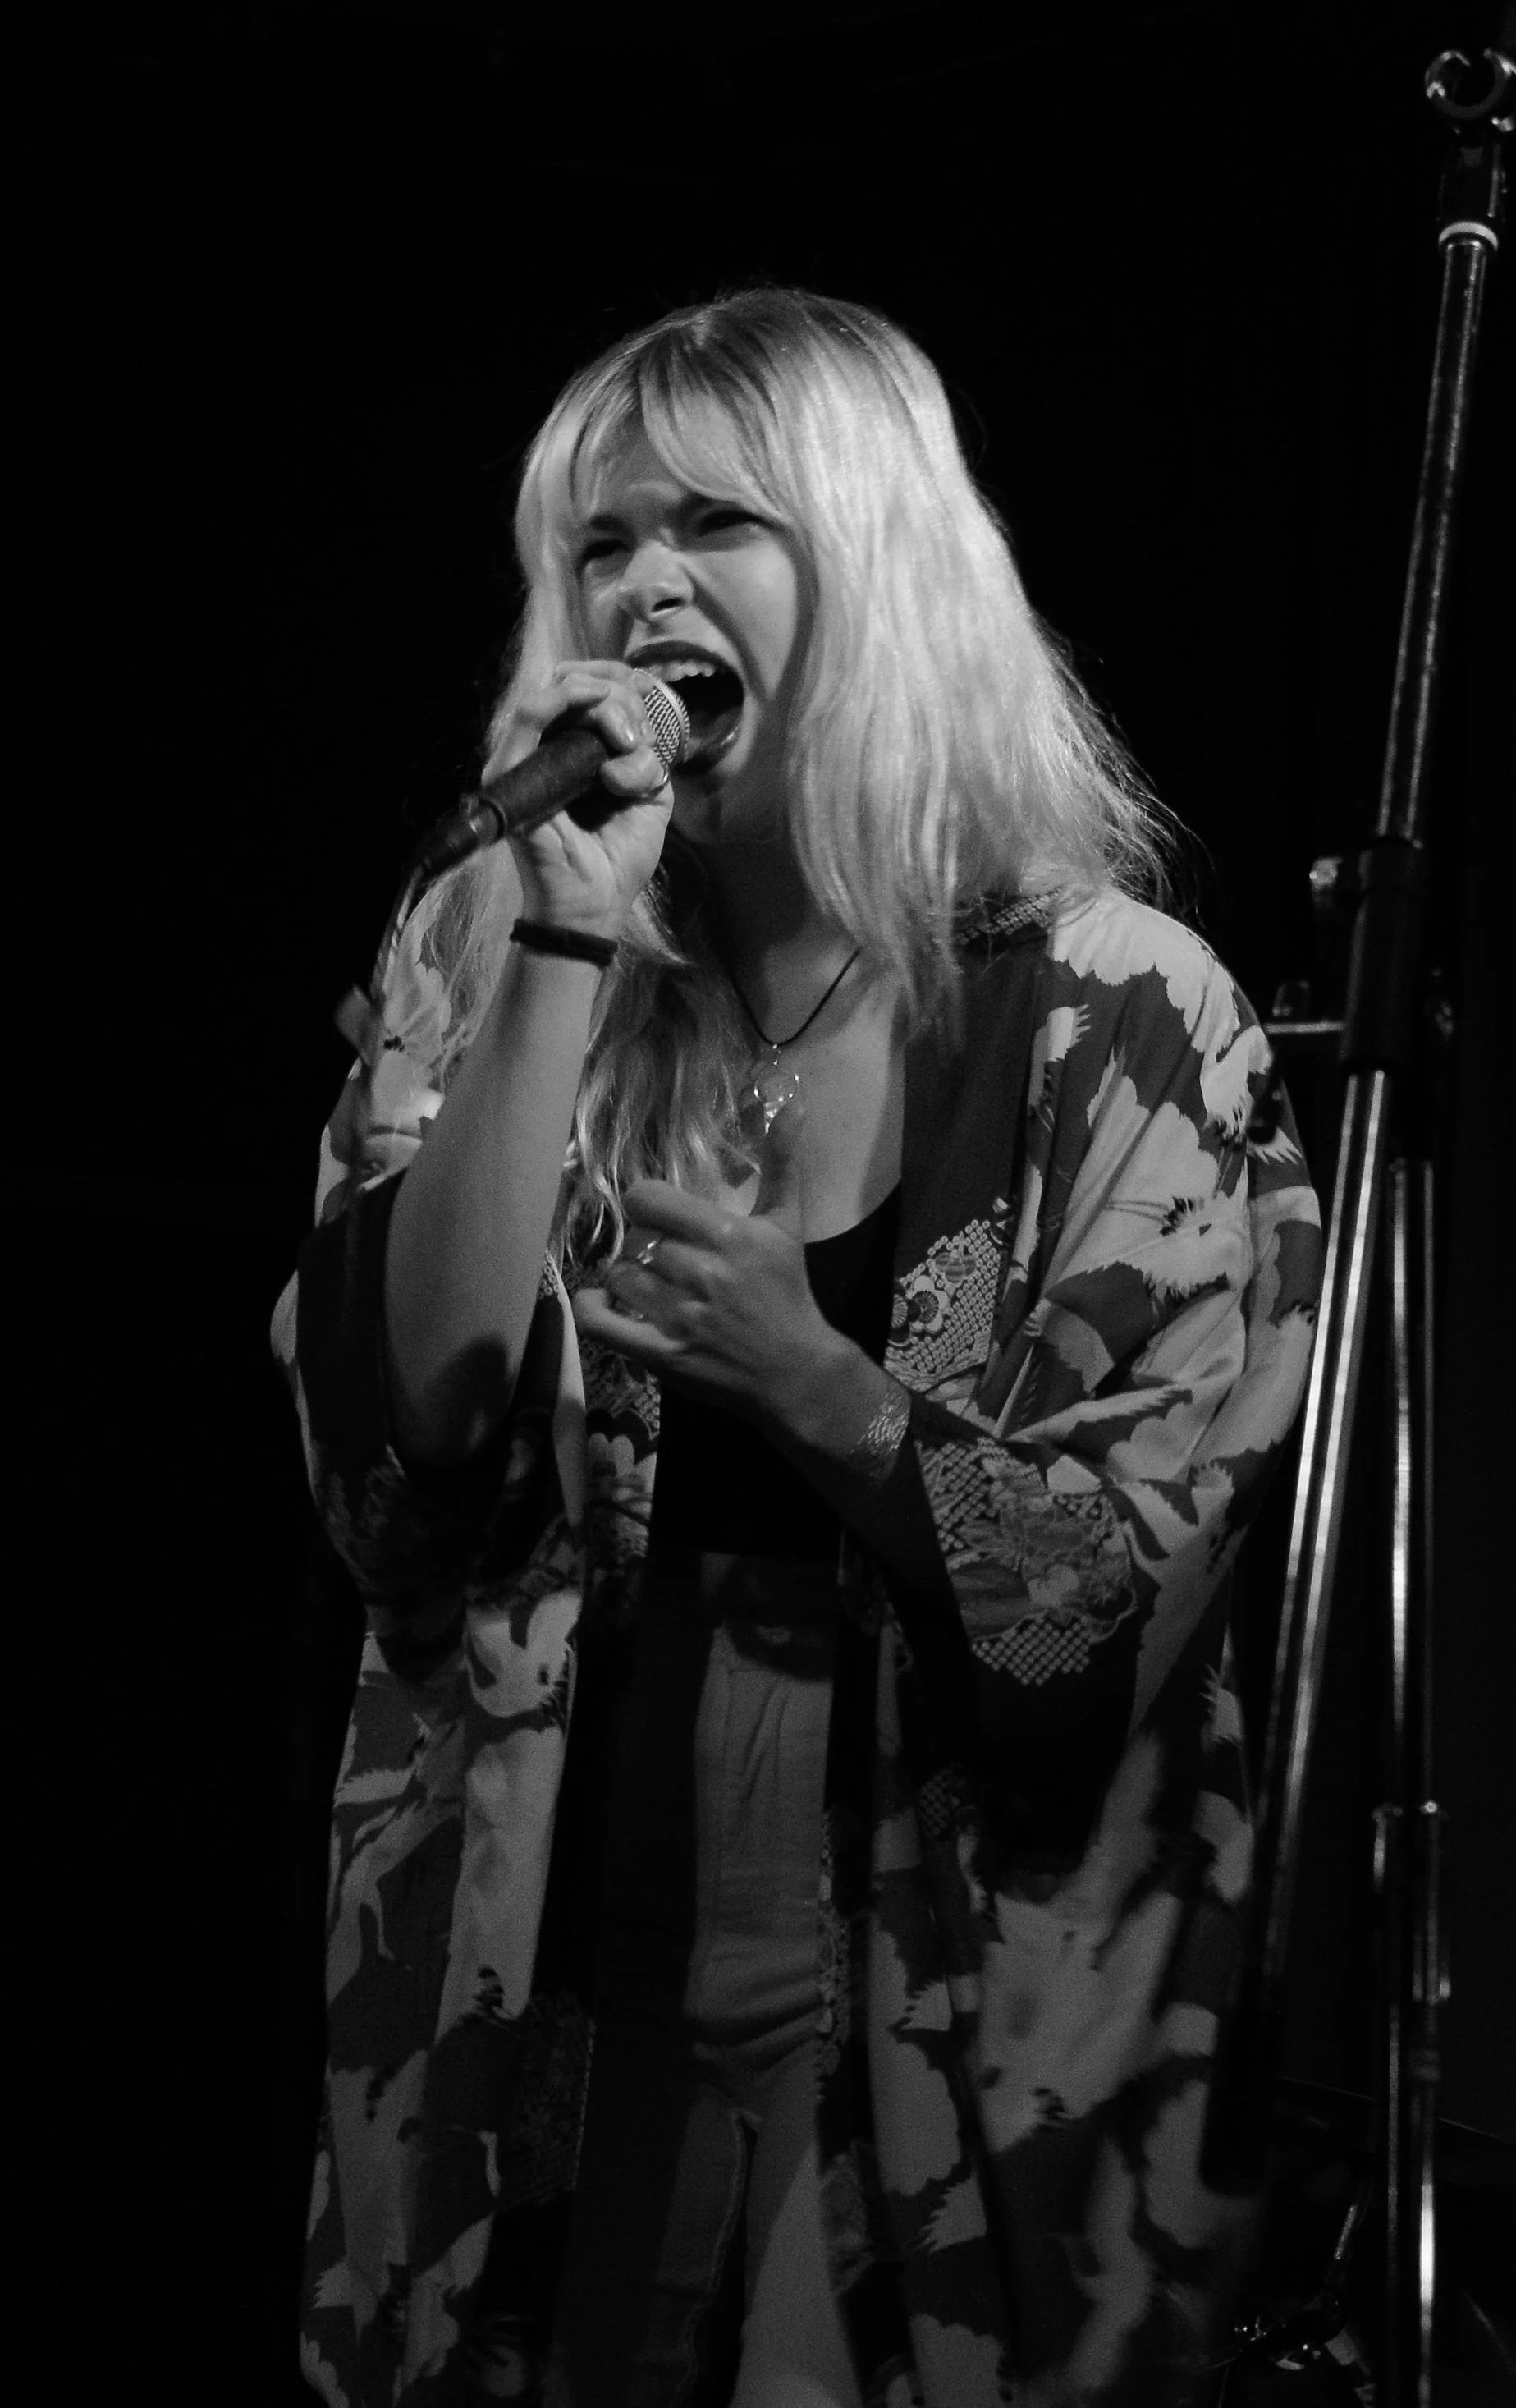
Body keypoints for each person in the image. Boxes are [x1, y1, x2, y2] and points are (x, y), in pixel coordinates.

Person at [273, 286, 1321, 2408]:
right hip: (543, 1964)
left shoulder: (1116, 1015)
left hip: (943, 2000)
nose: (644, 581)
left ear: (873, 564)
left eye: (718, 524)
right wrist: (559, 938)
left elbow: (1119, 1605)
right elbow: (403, 1470)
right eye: (599, 539)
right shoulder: (487, 938)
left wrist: (818, 1382)